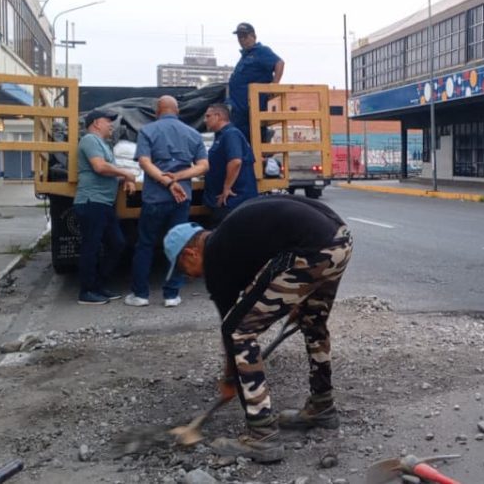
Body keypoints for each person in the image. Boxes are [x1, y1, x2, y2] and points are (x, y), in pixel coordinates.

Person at [162, 195, 353, 463]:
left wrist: (230, 379)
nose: (189, 277)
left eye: (183, 269)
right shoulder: (232, 237)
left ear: (190, 253)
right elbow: (269, 280)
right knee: (313, 322)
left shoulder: (217, 257)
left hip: (313, 248)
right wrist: (296, 298)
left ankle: (262, 436)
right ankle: (322, 407)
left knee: (239, 332)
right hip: (339, 239)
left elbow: (231, 329)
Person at [125, 96, 208, 308]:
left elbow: (144, 162)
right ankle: (171, 295)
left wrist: (166, 180)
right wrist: (179, 177)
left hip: (154, 197)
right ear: (177, 110)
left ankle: (141, 295)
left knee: (145, 244)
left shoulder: (148, 131)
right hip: (182, 198)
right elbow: (203, 166)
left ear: (157, 111)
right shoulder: (192, 133)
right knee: (179, 244)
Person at [73, 109, 137, 305]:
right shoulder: (90, 140)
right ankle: (87, 291)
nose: (111, 124)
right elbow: (99, 167)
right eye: (107, 121)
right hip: (91, 201)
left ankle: (98, 285)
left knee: (117, 243)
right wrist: (126, 173)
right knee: (91, 247)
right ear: (95, 123)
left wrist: (124, 179)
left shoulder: (105, 144)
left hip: (104, 203)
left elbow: (109, 171)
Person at [226, 22, 284, 143]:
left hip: (251, 111)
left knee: (253, 145)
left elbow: (279, 63)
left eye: (245, 36)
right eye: (239, 37)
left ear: (253, 36)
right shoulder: (245, 57)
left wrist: (275, 84)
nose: (242, 40)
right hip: (238, 112)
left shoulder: (261, 51)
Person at [202, 103, 259, 226]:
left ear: (218, 116)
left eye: (208, 116)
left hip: (234, 201)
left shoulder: (231, 134)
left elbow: (235, 161)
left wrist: (227, 188)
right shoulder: (221, 136)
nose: (205, 120)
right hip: (226, 202)